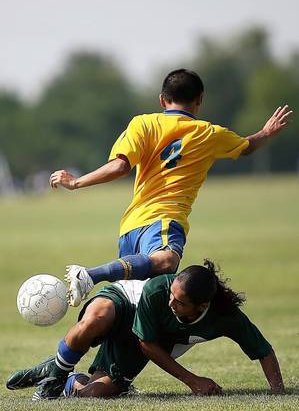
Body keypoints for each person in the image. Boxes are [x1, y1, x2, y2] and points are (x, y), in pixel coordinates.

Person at [49, 69, 293, 308]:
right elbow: (246, 146)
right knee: (166, 261)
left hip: (131, 226)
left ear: (162, 100)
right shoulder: (209, 133)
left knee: (136, 310)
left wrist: (77, 182)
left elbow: (121, 167)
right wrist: (267, 132)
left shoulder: (142, 123)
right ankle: (90, 275)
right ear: (200, 100)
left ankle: (70, 348)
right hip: (165, 219)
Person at [7, 261, 284, 399]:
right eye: (171, 294)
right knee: (96, 318)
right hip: (126, 303)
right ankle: (54, 375)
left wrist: (277, 391)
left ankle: (67, 381)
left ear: (201, 306)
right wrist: (193, 380)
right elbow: (148, 346)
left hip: (141, 337)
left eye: (180, 301)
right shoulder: (156, 290)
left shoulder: (225, 317)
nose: (171, 301)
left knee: (96, 394)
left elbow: (263, 350)